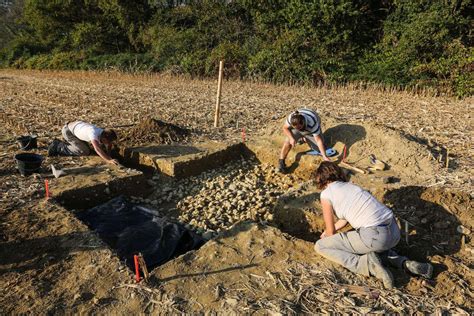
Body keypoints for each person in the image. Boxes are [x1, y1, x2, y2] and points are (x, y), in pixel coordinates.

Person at [313, 161, 433, 289]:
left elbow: (331, 232)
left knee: (320, 246)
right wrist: (328, 231)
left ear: (322, 179)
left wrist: (327, 238)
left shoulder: (326, 194)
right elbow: (343, 220)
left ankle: (369, 265)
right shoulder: (352, 187)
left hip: (374, 236)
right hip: (394, 232)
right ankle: (404, 263)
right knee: (373, 248)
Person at [48, 121, 119, 165]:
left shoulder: (102, 132)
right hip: (68, 132)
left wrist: (109, 155)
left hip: (76, 127)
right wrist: (108, 160)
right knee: (84, 151)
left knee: (88, 149)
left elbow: (109, 144)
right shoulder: (93, 133)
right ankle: (58, 146)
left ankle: (72, 145)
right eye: (108, 141)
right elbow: (97, 149)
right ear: (104, 138)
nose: (109, 143)